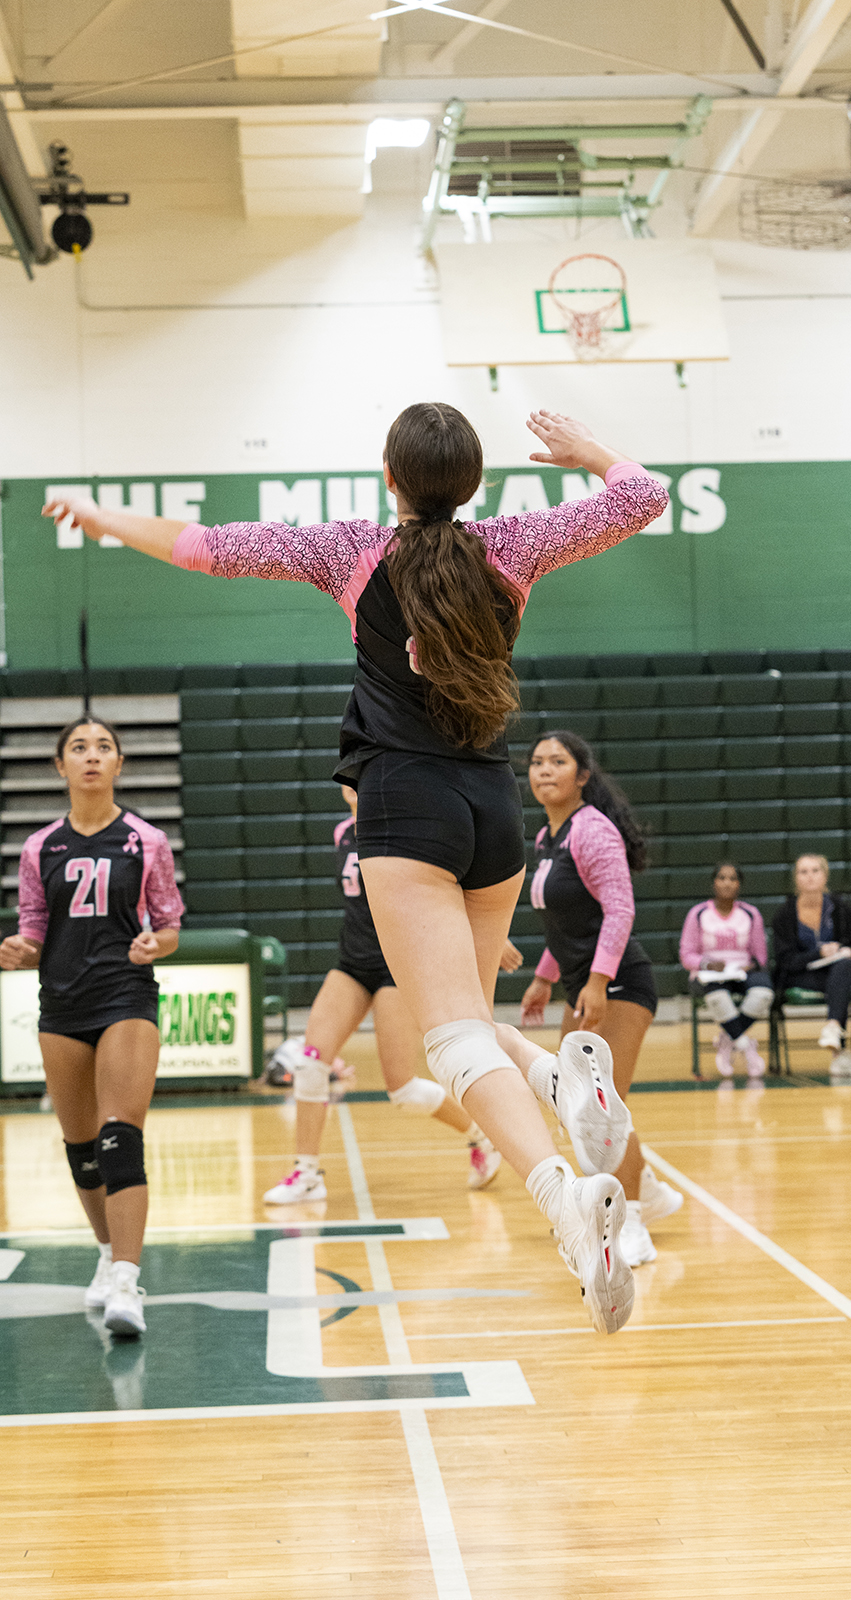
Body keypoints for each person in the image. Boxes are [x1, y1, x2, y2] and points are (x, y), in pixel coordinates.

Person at [44, 404, 670, 1336]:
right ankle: (558, 1082)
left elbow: (201, 546)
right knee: (469, 1019)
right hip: (490, 804)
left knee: (450, 1041)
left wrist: (101, 517)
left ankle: (563, 1195)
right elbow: (643, 497)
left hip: (403, 802)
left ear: (388, 477)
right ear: (474, 482)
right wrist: (588, 452)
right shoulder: (516, 545)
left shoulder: (350, 552)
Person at [0, 719, 183, 1338]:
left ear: (119, 764)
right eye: (79, 748)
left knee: (118, 1138)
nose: (91, 756)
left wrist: (157, 943)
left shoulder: (146, 840)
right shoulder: (39, 848)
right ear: (60, 766)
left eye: (104, 747)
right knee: (81, 1151)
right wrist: (20, 949)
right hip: (61, 1006)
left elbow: (169, 923)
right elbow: (33, 926)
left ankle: (128, 1282)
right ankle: (106, 1255)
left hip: (124, 996)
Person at [263, 785, 501, 1205]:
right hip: (353, 963)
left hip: (398, 965)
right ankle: (306, 1175)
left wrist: (489, 933)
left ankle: (481, 1133)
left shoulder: (406, 830)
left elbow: (448, 890)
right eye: (347, 776)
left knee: (402, 1090)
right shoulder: (342, 832)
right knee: (310, 1062)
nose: (353, 784)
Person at [519, 731, 683, 1268]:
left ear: (582, 775)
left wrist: (596, 981)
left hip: (620, 985)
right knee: (576, 1106)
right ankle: (649, 1188)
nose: (544, 770)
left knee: (602, 1110)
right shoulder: (548, 837)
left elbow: (619, 911)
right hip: (583, 986)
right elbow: (566, 923)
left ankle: (632, 1222)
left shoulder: (593, 830)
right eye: (537, 762)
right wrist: (545, 979)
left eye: (557, 761)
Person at [771, 855, 851, 1076]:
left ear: (825, 875)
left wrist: (848, 951)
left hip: (835, 971)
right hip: (799, 975)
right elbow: (785, 960)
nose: (810, 876)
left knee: (844, 967)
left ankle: (833, 1028)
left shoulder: (840, 908)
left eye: (815, 871)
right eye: (803, 872)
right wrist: (818, 953)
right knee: (841, 981)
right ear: (796, 878)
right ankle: (839, 1054)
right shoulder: (784, 914)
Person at [679, 863, 773, 1081]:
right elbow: (686, 955)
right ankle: (744, 1045)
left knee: (763, 993)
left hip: (742, 970)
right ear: (714, 882)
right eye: (722, 878)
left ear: (739, 884)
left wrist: (750, 965)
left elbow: (761, 956)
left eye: (732, 878)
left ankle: (728, 1038)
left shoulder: (750, 914)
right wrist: (707, 964)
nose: (727, 883)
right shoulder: (698, 913)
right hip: (711, 973)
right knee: (718, 997)